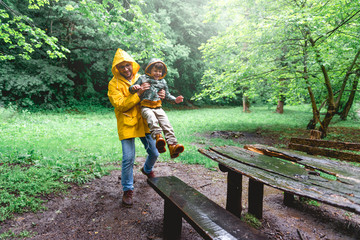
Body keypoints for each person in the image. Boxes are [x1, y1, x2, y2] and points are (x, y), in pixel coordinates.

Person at [108, 49, 163, 208]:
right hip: (126, 123)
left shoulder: (142, 78)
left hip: (144, 122)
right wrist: (137, 95)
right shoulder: (113, 84)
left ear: (132, 65)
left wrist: (160, 95)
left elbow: (153, 96)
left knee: (154, 152)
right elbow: (120, 105)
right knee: (128, 158)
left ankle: (147, 169)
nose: (126, 69)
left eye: (128, 65)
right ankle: (127, 189)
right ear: (117, 69)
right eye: (122, 67)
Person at [129, 58, 184, 158]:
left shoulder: (163, 82)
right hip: (146, 107)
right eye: (155, 71)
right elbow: (131, 88)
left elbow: (167, 95)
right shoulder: (143, 78)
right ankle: (158, 137)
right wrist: (135, 88)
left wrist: (175, 100)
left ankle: (172, 146)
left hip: (158, 107)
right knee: (152, 119)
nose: (157, 73)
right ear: (149, 70)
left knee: (166, 124)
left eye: (160, 71)